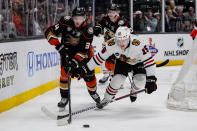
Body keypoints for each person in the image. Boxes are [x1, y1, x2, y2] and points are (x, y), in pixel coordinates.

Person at [80, 26, 157, 109]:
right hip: (123, 61)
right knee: (116, 81)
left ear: (129, 38)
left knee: (140, 80)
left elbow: (149, 61)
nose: (121, 43)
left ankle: (134, 91)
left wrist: (151, 79)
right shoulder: (111, 43)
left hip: (138, 62)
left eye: (123, 40)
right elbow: (99, 58)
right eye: (119, 40)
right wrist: (86, 68)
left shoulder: (138, 44)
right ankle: (106, 99)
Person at [44, 7, 100, 111]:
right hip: (67, 53)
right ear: (72, 17)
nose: (77, 21)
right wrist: (58, 45)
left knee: (89, 76)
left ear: (84, 18)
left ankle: (93, 92)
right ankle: (64, 97)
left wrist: (75, 61)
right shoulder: (65, 21)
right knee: (64, 74)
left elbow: (84, 51)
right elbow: (48, 32)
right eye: (75, 18)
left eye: (80, 18)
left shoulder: (88, 30)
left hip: (84, 55)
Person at [93, 4, 130, 84]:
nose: (110, 14)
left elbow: (129, 31)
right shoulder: (105, 19)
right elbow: (99, 24)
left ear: (116, 13)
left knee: (118, 61)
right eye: (109, 12)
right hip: (107, 42)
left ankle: (118, 80)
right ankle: (106, 74)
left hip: (118, 44)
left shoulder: (122, 21)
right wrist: (97, 29)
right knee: (103, 58)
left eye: (113, 12)